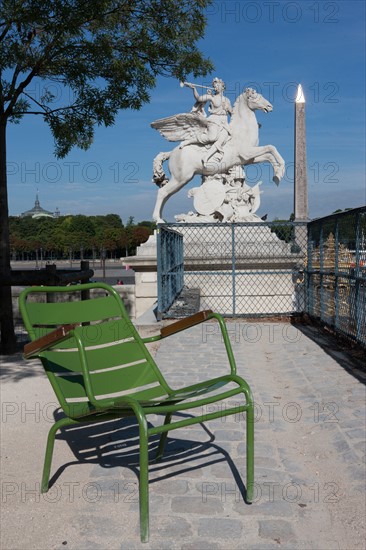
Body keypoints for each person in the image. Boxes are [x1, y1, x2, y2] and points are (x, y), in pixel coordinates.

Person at [180, 77, 232, 165]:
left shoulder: (227, 100)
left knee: (223, 139)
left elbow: (232, 113)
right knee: (212, 137)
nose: (216, 87)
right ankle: (189, 141)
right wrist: (194, 89)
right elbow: (199, 99)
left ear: (222, 87)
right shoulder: (211, 97)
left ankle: (206, 157)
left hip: (224, 122)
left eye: (218, 85)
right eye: (215, 85)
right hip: (214, 120)